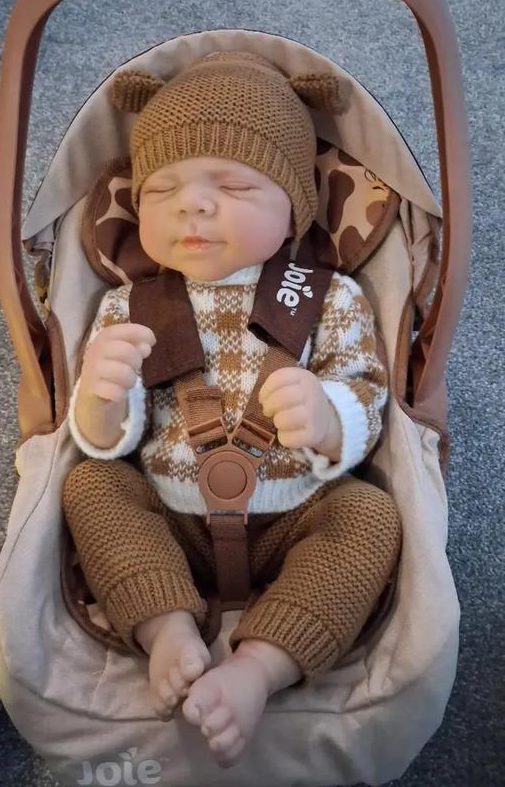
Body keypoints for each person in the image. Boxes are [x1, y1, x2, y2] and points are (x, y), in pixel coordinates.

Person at [62, 50, 402, 769]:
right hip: (169, 517)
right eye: (163, 189)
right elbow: (109, 441)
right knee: (91, 486)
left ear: (294, 208)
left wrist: (329, 416)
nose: (193, 204)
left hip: (297, 513)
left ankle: (260, 666)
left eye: (235, 184)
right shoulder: (129, 305)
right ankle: (166, 627)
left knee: (370, 516)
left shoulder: (327, 297)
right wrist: (99, 399)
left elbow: (368, 391)